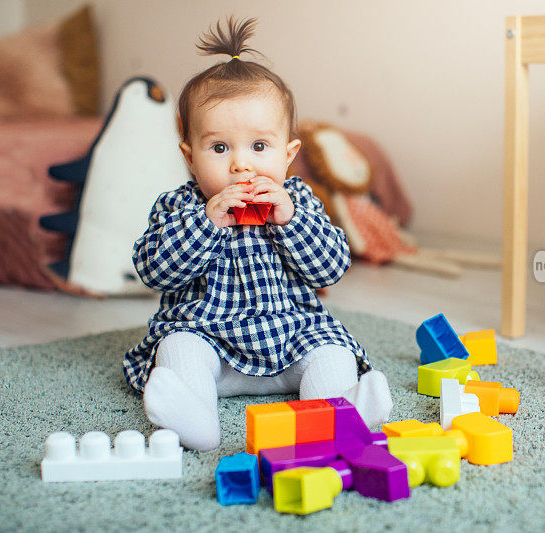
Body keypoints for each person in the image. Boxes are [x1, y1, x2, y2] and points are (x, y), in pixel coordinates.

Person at [123, 17, 393, 451]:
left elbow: (331, 268)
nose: (241, 165)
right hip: (212, 342)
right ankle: (195, 420)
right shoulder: (181, 206)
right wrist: (205, 223)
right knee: (179, 347)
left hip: (291, 340)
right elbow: (152, 270)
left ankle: (336, 414)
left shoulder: (298, 201)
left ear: (289, 156)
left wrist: (290, 221)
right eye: (220, 148)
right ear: (189, 158)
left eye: (259, 147)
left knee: (333, 353)